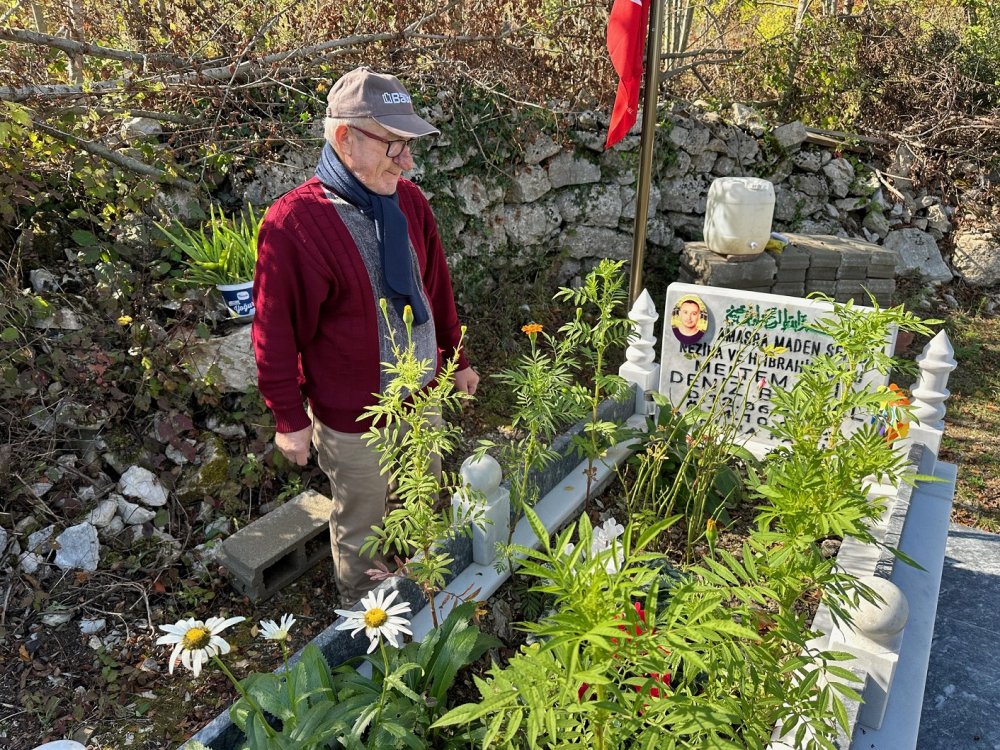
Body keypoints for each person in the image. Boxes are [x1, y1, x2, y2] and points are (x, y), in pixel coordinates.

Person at [251, 66, 479, 606]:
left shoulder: (410, 202)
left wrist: (458, 359)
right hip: (355, 419)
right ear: (343, 137)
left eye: (409, 144)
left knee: (420, 499)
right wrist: (289, 418)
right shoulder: (295, 224)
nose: (408, 161)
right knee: (363, 523)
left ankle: (421, 594)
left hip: (422, 393)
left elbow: (435, 292)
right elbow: (274, 331)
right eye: (394, 144)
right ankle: (365, 623)